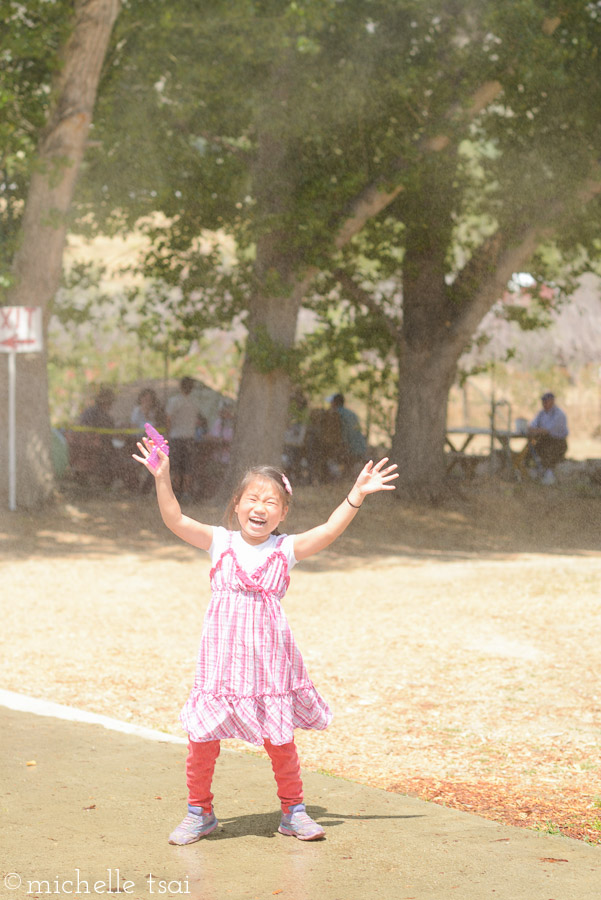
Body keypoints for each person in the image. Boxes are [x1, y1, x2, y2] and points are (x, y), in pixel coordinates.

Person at [132, 437, 398, 844]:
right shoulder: (219, 542)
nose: (260, 508)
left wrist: (355, 495)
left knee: (280, 740)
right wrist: (162, 477)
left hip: (270, 665)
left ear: (283, 512)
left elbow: (328, 530)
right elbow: (174, 519)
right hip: (221, 665)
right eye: (252, 499)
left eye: (271, 502)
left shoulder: (284, 549)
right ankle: (198, 811)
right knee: (202, 739)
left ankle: (293, 811)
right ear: (237, 505)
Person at [166, 377, 203, 499]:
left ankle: (176, 491)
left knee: (176, 466)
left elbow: (169, 419)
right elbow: (198, 419)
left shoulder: (174, 401)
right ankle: (186, 492)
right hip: (189, 437)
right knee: (187, 467)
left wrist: (167, 433)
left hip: (176, 436)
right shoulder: (195, 402)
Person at [527, 392, 568, 485]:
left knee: (548, 451)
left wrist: (536, 430)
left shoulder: (559, 414)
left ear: (552, 401)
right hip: (543, 440)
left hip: (557, 442)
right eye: (543, 401)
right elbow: (532, 426)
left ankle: (549, 476)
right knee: (529, 447)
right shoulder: (541, 413)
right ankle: (531, 470)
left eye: (546, 401)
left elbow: (547, 430)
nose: (544, 403)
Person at [329, 393, 368, 471]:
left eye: (331, 402)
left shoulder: (335, 414)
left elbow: (340, 433)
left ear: (335, 402)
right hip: (360, 447)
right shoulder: (352, 413)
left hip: (349, 448)